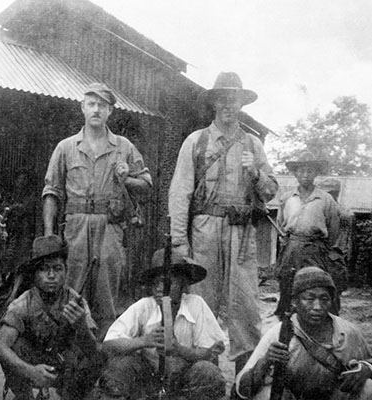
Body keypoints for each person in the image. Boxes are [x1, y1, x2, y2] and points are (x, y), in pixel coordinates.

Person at [168, 72, 278, 372]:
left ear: (242, 103)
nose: (230, 105)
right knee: (202, 303)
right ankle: (206, 376)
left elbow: (271, 191)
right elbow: (180, 193)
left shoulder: (253, 145)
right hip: (205, 230)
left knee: (246, 306)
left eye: (236, 99)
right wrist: (179, 241)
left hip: (242, 234)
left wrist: (255, 173)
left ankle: (246, 379)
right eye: (224, 99)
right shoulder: (197, 141)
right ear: (214, 102)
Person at [42, 82, 152, 338]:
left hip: (110, 228)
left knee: (106, 297)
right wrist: (50, 237)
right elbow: (52, 192)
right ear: (82, 107)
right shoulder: (66, 147)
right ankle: (69, 357)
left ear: (110, 111)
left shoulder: (123, 147)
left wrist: (127, 179)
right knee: (70, 292)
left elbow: (146, 185)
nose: (96, 109)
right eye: (91, 104)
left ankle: (104, 359)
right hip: (76, 228)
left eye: (102, 105)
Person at [235, 267, 372, 400]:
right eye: (309, 299)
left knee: (368, 389)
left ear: (331, 301)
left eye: (324, 299)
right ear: (295, 302)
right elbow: (242, 389)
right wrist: (266, 360)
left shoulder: (348, 332)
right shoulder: (279, 334)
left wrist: (365, 369)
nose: (317, 307)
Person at [98, 249, 226, 400]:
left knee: (208, 373)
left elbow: (208, 353)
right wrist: (144, 341)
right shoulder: (144, 306)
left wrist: (179, 350)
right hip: (149, 380)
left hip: (184, 380)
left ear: (182, 284)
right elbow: (109, 345)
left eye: (167, 283)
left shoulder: (196, 304)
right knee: (120, 367)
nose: (159, 288)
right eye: (155, 283)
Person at [0, 235, 105, 400]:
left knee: (95, 360)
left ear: (66, 271)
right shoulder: (22, 304)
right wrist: (30, 371)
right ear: (34, 274)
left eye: (58, 269)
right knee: (15, 347)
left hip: (65, 364)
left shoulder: (75, 301)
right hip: (33, 362)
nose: (51, 275)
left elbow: (95, 352)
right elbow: (0, 348)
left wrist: (81, 326)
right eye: (44, 269)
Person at [276, 151, 345, 315]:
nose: (305, 175)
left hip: (315, 250)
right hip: (291, 249)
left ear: (316, 173)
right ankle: (289, 326)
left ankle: (319, 325)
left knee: (315, 286)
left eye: (309, 171)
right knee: (288, 287)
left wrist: (319, 247)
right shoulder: (287, 198)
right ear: (295, 174)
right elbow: (280, 224)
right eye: (301, 171)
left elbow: (333, 230)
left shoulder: (325, 199)